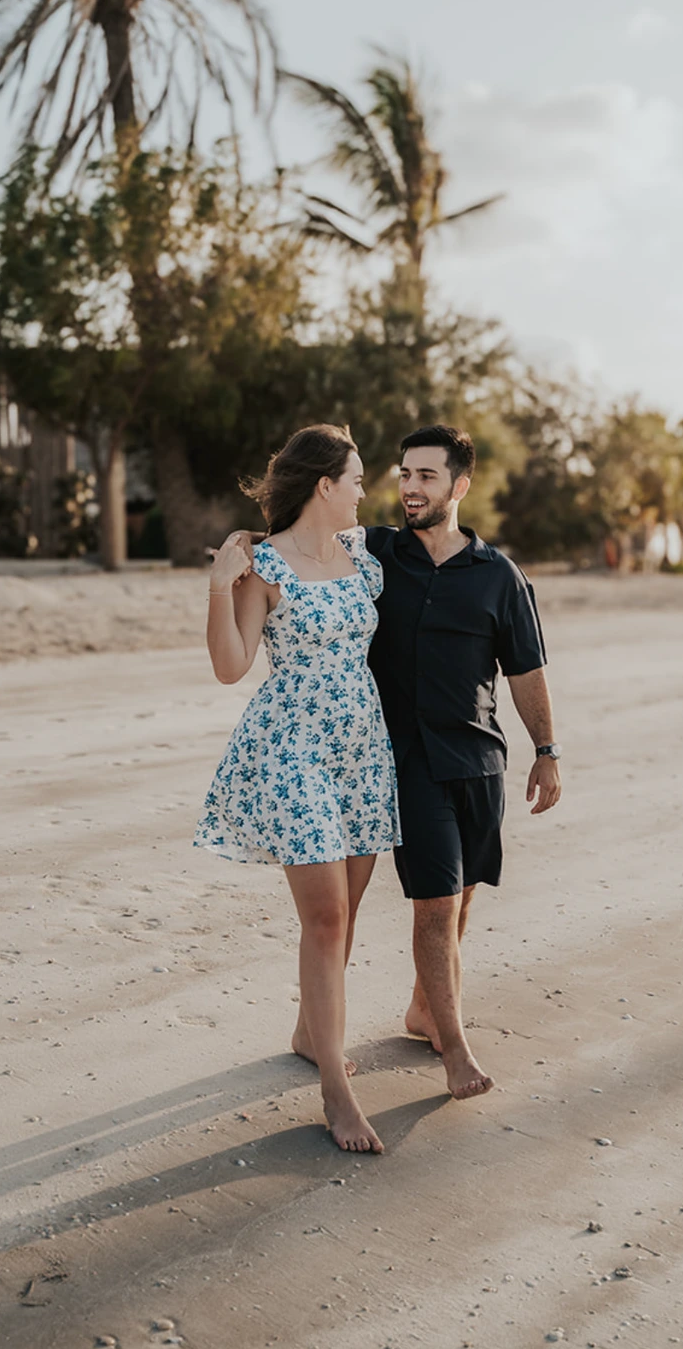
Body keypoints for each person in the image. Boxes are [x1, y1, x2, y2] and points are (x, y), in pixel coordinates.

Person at [196, 424, 400, 1155]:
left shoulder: (365, 558)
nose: (364, 492)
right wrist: (222, 586)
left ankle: (311, 1034)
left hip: (361, 749)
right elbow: (231, 664)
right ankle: (337, 1096)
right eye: (357, 479)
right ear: (324, 485)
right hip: (293, 751)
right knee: (325, 918)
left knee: (344, 918)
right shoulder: (265, 566)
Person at [365, 424, 562, 1099]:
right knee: (434, 903)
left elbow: (525, 670)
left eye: (425, 476)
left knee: (463, 896)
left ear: (459, 485)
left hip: (480, 760)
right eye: (404, 474)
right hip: (407, 757)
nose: (410, 488)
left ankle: (424, 1007)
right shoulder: (374, 554)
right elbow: (305, 539)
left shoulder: (498, 576)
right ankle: (456, 1049)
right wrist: (252, 545)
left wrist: (546, 751)